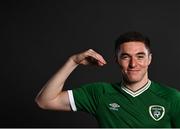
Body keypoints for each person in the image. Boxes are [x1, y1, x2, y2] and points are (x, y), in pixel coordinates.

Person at [35, 31, 180, 128]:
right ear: (116, 60)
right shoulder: (99, 93)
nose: (133, 64)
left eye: (140, 56)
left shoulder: (171, 97)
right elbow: (45, 101)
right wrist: (73, 61)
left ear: (150, 59)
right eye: (125, 57)